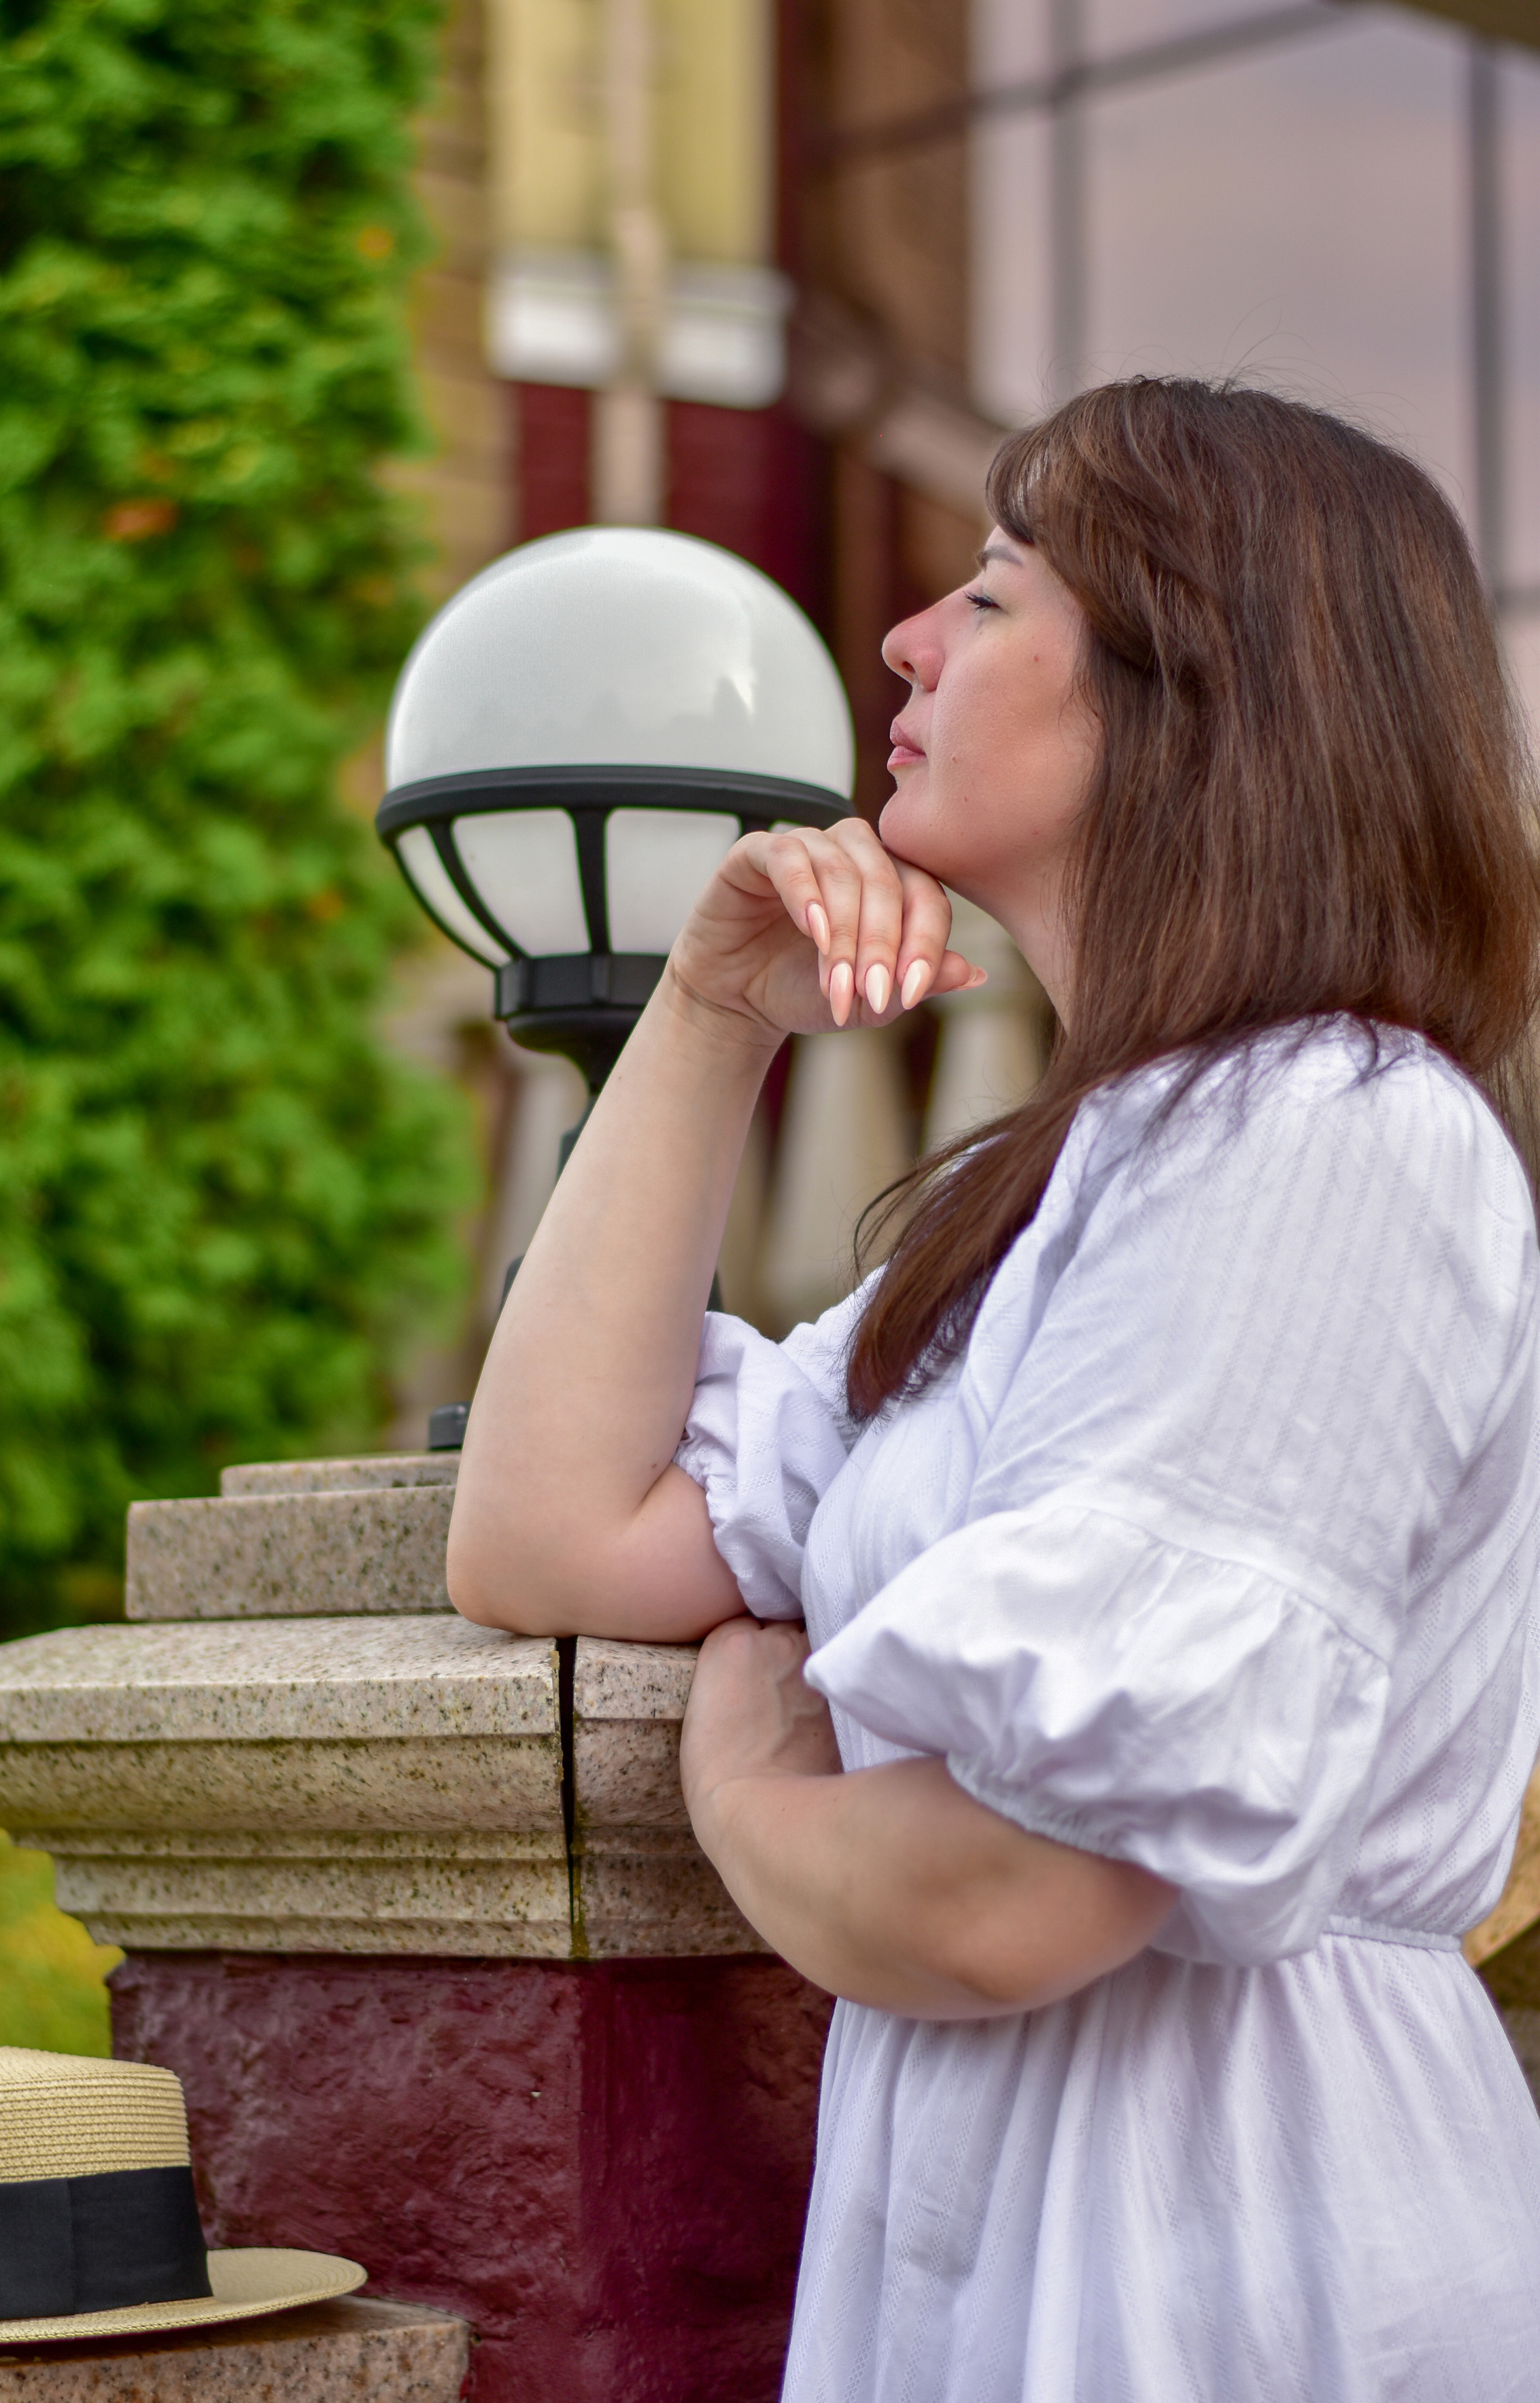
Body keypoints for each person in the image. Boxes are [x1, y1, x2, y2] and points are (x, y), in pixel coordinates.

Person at [447, 377, 1540, 2401]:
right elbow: (537, 1531)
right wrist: (707, 1014)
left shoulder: (1330, 1137)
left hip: (1236, 2256)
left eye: (991, 595)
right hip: (1032, 2235)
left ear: (1187, 689)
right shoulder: (1063, 1200)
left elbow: (1012, 1896)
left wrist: (749, 1790)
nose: (905, 642)